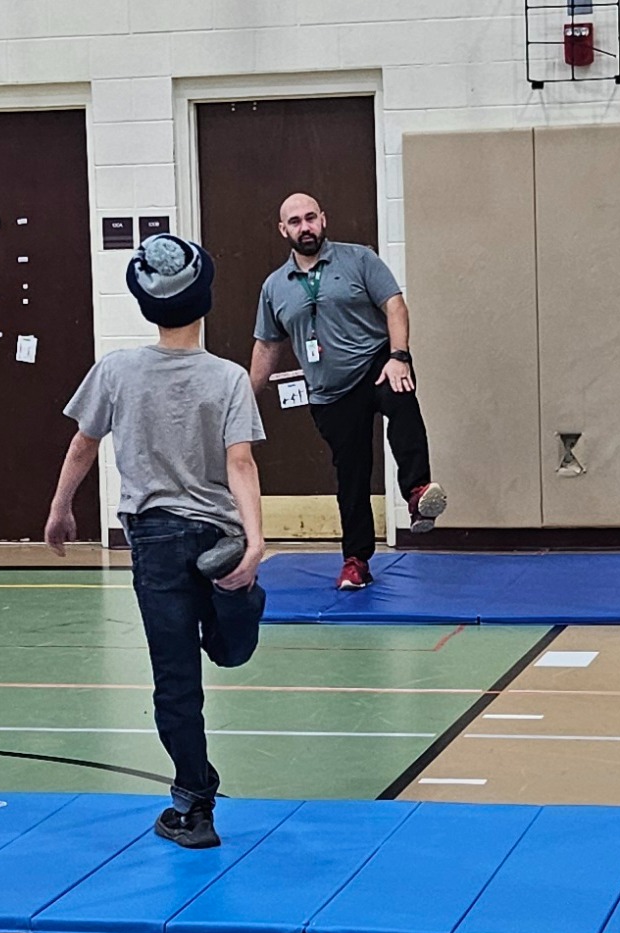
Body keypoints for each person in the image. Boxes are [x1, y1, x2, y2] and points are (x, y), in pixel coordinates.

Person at [45, 233, 266, 850]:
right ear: (205, 301)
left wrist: (61, 509)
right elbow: (241, 463)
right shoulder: (228, 379)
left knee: (176, 679)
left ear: (144, 303)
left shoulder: (115, 369)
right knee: (228, 652)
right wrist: (253, 541)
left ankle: (194, 807)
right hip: (217, 531)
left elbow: (83, 443)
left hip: (154, 539)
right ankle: (238, 597)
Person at [250, 192, 445, 591]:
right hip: (330, 392)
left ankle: (417, 489)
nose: (305, 227)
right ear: (283, 230)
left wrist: (399, 355)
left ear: (324, 219)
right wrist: (243, 403)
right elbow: (267, 346)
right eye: (295, 222)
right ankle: (356, 561)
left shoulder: (359, 260)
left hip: (376, 362)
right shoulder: (274, 287)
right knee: (351, 475)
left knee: (400, 396)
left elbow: (394, 305)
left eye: (310, 218)